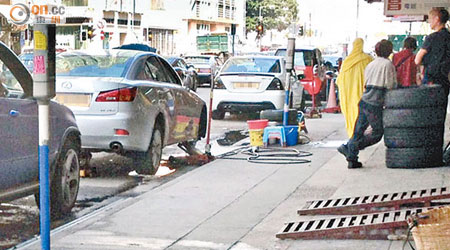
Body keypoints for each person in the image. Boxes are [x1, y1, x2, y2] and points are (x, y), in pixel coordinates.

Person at [338, 40, 397, 169]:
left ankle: (352, 158)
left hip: (364, 101)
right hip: (375, 103)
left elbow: (365, 83)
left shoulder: (371, 64)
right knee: (377, 133)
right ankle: (350, 147)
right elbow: (391, 85)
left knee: (358, 131)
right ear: (389, 51)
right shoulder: (388, 65)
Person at [336, 38, 373, 138]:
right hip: (363, 93)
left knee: (351, 111)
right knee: (361, 113)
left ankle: (352, 133)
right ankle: (359, 133)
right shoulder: (368, 59)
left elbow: (339, 80)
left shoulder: (347, 61)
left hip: (348, 94)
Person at [415, 7, 450, 97]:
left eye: (430, 18)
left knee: (428, 106)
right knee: (441, 106)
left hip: (431, 77)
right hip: (445, 78)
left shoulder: (432, 37)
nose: (429, 21)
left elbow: (417, 60)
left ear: (437, 19)